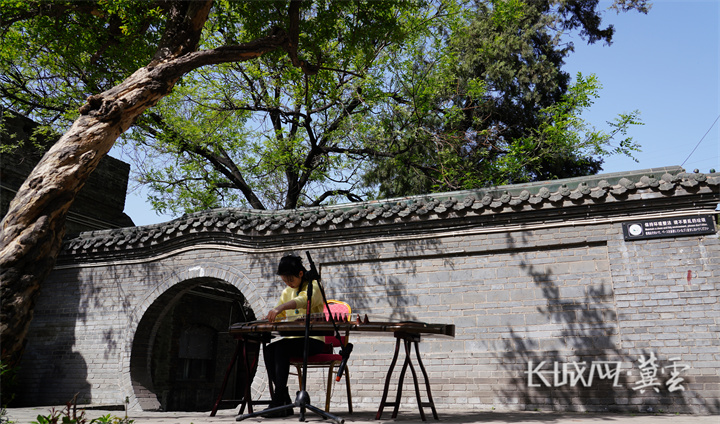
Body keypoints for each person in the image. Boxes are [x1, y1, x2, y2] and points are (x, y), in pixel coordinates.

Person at [263, 254, 326, 417]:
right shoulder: (287, 292)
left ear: (300, 274)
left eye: (290, 280)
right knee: (269, 350)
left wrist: (281, 307)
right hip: (294, 341)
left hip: (314, 341)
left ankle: (278, 402)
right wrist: (271, 315)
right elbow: (278, 313)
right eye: (285, 281)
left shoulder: (314, 286)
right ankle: (284, 399)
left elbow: (304, 300)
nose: (288, 284)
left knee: (281, 348)